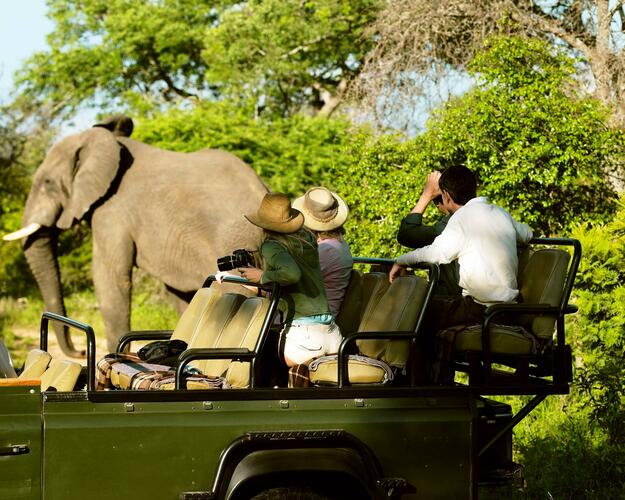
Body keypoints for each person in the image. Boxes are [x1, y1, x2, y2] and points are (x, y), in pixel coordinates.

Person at [390, 165, 533, 334]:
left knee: (415, 310)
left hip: (479, 310)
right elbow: (527, 234)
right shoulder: (501, 213)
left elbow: (436, 253)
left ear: (447, 196)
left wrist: (401, 261)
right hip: (507, 309)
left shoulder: (460, 218)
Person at [238, 192, 342, 367]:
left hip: (303, 339)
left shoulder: (271, 245)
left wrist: (262, 276)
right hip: (331, 334)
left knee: (255, 358)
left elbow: (292, 274)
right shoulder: (307, 240)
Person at [397, 171, 461, 297]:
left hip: (457, 301)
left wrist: (426, 195)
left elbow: (406, 234)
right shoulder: (487, 214)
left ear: (445, 198)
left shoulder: (450, 224)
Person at [293, 187, 353, 317]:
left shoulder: (326, 250)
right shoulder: (337, 244)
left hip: (314, 316)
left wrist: (261, 278)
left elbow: (292, 279)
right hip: (315, 311)